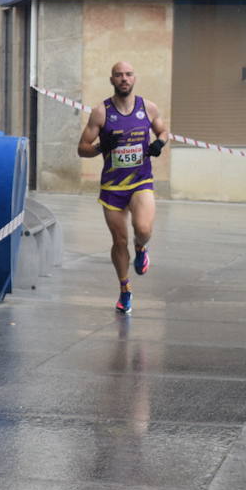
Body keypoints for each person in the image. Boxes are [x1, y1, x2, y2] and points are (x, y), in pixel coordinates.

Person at [76, 60, 169, 314]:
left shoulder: (147, 108)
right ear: (112, 80)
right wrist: (100, 147)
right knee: (119, 240)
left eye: (128, 75)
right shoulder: (101, 112)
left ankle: (141, 248)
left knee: (143, 228)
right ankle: (125, 289)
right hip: (112, 187)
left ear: (134, 79)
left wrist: (159, 144)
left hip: (141, 181)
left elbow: (163, 131)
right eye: (119, 75)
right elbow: (81, 149)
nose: (124, 79)